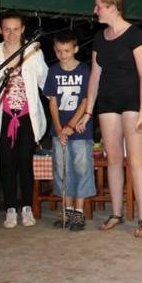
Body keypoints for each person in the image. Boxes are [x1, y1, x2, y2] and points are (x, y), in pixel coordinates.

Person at [78, 0, 142, 237]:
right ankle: (116, 214)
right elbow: (95, 76)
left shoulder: (135, 35)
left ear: (112, 8)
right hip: (107, 103)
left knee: (136, 161)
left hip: (132, 102)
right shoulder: (100, 38)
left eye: (98, 6)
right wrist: (88, 111)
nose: (95, 10)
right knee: (113, 159)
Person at [0, 10, 49, 229]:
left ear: (22, 30)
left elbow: (45, 80)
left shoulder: (32, 51)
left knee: (25, 162)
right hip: (3, 116)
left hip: (26, 116)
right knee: (7, 163)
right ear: (0, 30)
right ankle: (10, 208)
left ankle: (27, 207)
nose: (11, 34)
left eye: (15, 29)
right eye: (7, 29)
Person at [43, 30, 95, 231]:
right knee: (62, 169)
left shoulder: (84, 70)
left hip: (80, 130)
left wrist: (71, 126)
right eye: (59, 51)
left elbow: (85, 101)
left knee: (81, 167)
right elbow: (52, 102)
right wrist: (58, 128)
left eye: (66, 50)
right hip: (60, 130)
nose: (62, 55)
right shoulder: (53, 71)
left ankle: (79, 211)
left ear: (75, 49)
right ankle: (67, 209)